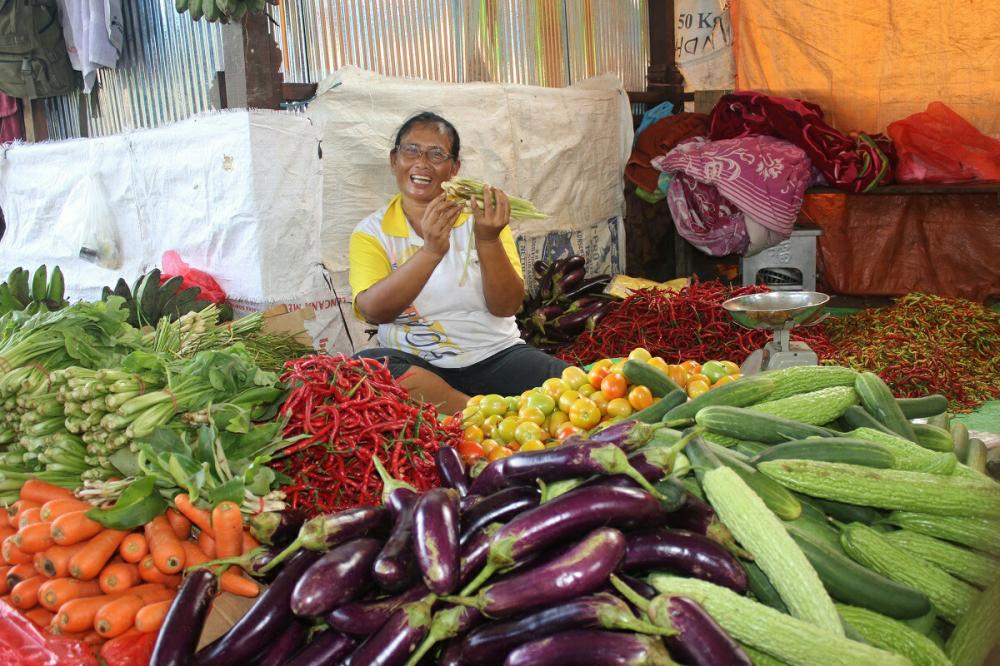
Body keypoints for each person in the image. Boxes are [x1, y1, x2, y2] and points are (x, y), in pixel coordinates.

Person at [349, 111, 569, 413]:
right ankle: (480, 413)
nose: (422, 162)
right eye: (411, 150)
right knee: (369, 367)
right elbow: (373, 311)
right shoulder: (372, 233)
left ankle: (466, 413)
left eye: (436, 154)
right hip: (420, 367)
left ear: (454, 168)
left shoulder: (482, 222)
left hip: (495, 356)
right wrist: (431, 252)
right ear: (394, 160)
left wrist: (489, 239)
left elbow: (506, 307)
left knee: (575, 386)